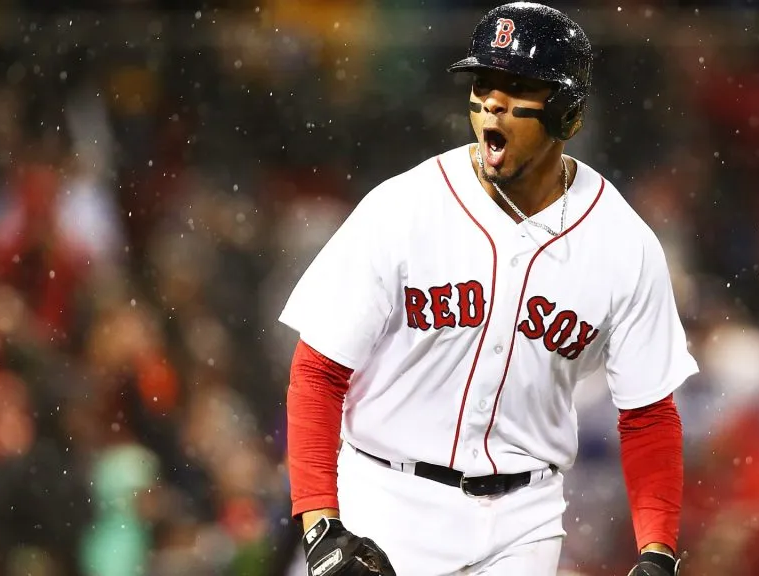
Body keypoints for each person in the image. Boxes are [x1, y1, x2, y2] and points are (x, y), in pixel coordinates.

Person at [278, 3, 697, 575]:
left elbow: (649, 412)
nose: (493, 102)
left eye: (517, 84)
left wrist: (657, 551)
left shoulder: (623, 242)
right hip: (385, 499)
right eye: (483, 83)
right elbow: (318, 372)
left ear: (569, 111)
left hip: (523, 521)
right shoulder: (403, 208)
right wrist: (321, 523)